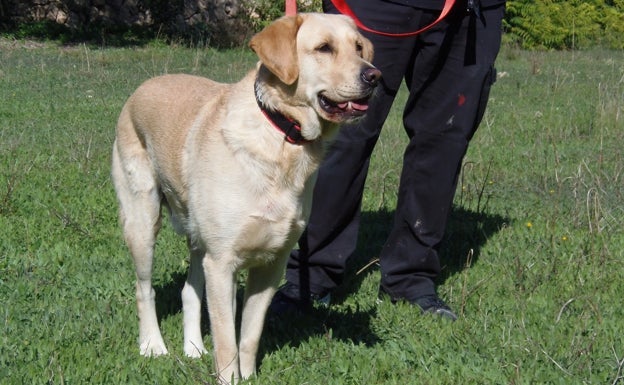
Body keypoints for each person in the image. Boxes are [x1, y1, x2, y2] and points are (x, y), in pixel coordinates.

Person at [271, 0, 507, 320]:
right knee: (342, 134)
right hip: (378, 5)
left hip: (471, 11)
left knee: (444, 138)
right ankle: (310, 276)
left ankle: (410, 280)